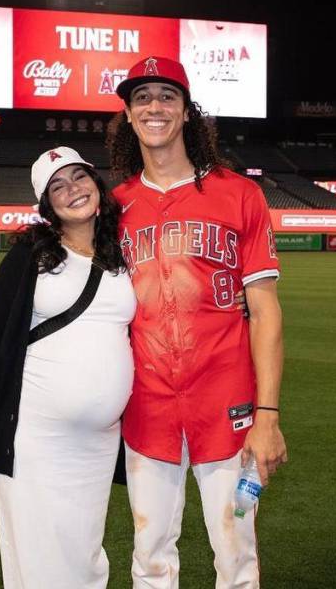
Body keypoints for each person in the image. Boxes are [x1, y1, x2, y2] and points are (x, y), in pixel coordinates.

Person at [106, 55, 288, 588]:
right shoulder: (115, 208)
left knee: (236, 553)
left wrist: (269, 414)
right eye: (142, 98)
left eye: (167, 96)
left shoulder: (239, 194)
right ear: (129, 115)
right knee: (150, 552)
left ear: (186, 111)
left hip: (227, 401)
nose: (154, 106)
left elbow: (266, 310)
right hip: (146, 403)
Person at [0, 146, 136, 588]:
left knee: (85, 551)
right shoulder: (30, 256)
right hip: (38, 436)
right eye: (58, 185)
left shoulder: (123, 253)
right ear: (46, 204)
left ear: (96, 182)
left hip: (99, 443)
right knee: (38, 554)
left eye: (79, 177)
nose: (73, 189)